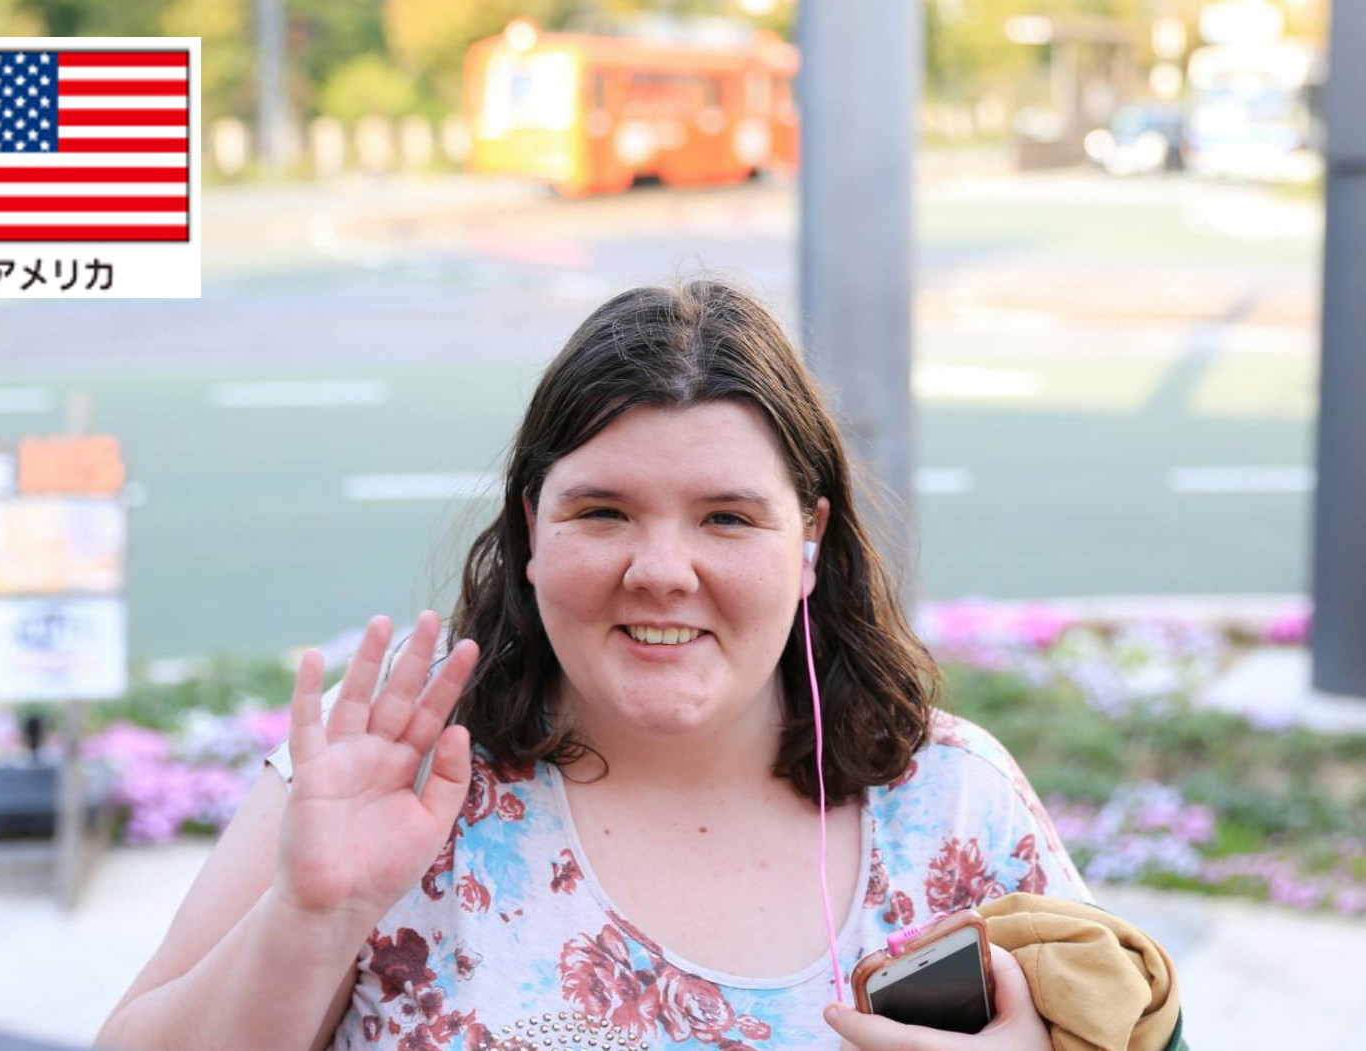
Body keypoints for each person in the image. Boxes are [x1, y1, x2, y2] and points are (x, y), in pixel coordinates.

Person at [95, 279, 1090, 1051]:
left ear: (810, 541)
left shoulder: (955, 802)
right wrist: (313, 917)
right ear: (533, 527)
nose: (661, 571)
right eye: (603, 511)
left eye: (727, 518)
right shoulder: (384, 785)